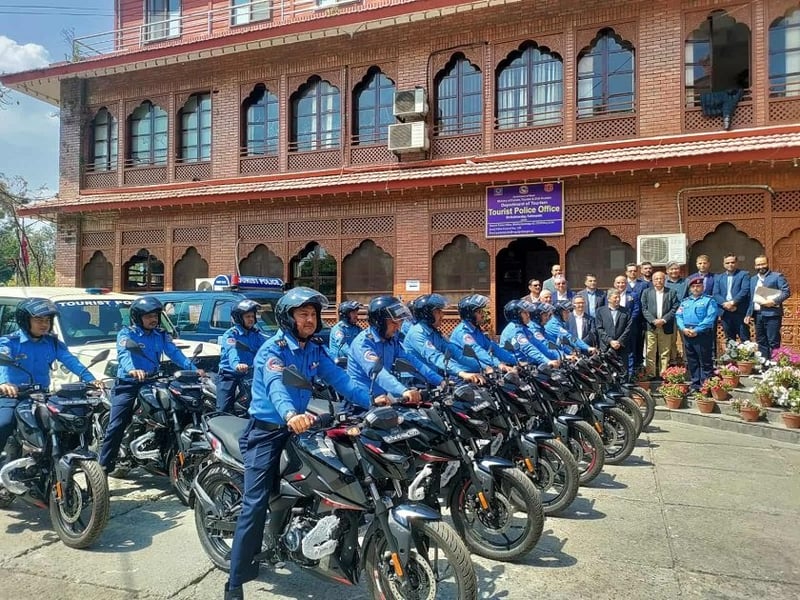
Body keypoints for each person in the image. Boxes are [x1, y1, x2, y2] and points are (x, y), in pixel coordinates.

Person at [225, 288, 376, 600]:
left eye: (313, 314)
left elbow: (342, 381)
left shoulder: (314, 349)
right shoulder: (273, 350)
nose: (310, 320)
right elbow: (276, 386)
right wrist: (290, 414)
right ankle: (235, 582)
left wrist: (375, 401)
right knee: (255, 503)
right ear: (287, 318)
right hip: (267, 432)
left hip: (300, 428)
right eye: (303, 314)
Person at [99, 296, 203, 474]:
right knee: (117, 424)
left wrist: (194, 370)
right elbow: (124, 354)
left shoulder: (160, 335)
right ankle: (104, 465)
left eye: (155, 315)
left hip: (153, 381)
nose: (153, 319)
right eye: (148, 316)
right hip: (129, 384)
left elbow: (175, 354)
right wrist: (132, 370)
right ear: (137, 318)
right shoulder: (127, 334)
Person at [0, 298, 100, 480]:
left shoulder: (52, 342)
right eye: (39, 320)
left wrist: (91, 379)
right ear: (25, 320)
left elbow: (71, 361)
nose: (44, 324)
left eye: (47, 320)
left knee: (67, 419)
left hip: (41, 396)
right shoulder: (9, 342)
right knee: (4, 423)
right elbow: (2, 363)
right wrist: (5, 383)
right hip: (14, 395)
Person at [346, 296, 439, 409]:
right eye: (394, 323)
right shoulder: (363, 343)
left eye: (399, 322)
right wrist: (403, 390)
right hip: (360, 405)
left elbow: (412, 361)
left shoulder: (391, 340)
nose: (398, 327)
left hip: (383, 401)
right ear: (379, 322)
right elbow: (378, 373)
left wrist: (440, 381)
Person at [404, 294, 484, 384]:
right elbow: (435, 356)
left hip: (431, 377)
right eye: (438, 312)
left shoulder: (434, 332)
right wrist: (462, 373)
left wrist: (483, 367)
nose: (442, 315)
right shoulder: (417, 333)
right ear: (427, 315)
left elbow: (455, 352)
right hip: (415, 381)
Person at [217, 299, 267, 413]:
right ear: (239, 318)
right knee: (224, 410)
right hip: (229, 375)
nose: (251, 319)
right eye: (247, 316)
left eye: (252, 316)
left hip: (249, 374)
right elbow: (232, 351)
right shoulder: (231, 335)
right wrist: (237, 365)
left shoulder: (256, 334)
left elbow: (267, 349)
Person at [450, 294, 516, 372]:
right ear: (469, 314)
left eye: (482, 311)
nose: (483, 314)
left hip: (477, 372)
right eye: (479, 312)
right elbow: (477, 351)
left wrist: (515, 361)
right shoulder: (463, 332)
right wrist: (498, 364)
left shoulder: (475, 331)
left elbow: (493, 347)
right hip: (463, 374)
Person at [744, 255, 792, 360]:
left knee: (773, 341)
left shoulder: (777, 276)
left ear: (767, 264)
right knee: (761, 340)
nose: (761, 266)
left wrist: (773, 301)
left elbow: (786, 292)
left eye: (763, 264)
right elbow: (751, 298)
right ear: (755, 266)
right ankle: (764, 364)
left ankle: (775, 364)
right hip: (758, 315)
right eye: (758, 264)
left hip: (772, 314)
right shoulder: (753, 279)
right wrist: (748, 314)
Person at [676, 277, 719, 391]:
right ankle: (695, 384)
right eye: (693, 286)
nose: (696, 288)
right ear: (690, 289)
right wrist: (683, 328)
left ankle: (706, 386)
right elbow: (678, 316)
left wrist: (697, 330)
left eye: (698, 286)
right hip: (687, 333)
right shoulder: (685, 302)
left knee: (705, 361)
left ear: (703, 287)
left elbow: (710, 317)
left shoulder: (709, 300)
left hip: (702, 334)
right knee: (692, 360)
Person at [640, 271, 679, 379]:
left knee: (665, 351)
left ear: (664, 280)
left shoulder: (671, 292)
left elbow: (675, 307)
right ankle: (651, 374)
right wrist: (653, 321)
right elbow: (644, 309)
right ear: (652, 281)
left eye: (661, 278)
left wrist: (664, 320)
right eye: (656, 279)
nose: (658, 281)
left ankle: (663, 374)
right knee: (650, 351)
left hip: (666, 326)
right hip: (651, 326)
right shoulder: (646, 292)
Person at [499, 300, 559, 368]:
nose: (528, 315)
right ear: (516, 315)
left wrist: (559, 356)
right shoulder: (514, 329)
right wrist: (547, 361)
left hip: (527, 364)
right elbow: (528, 348)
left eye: (528, 312)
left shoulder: (524, 328)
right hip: (514, 367)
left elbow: (539, 345)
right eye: (525, 313)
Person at [712, 253, 751, 343]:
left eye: (732, 262)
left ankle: (747, 353)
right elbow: (715, 294)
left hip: (739, 310)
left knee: (744, 338)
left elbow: (744, 290)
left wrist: (732, 303)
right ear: (723, 264)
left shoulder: (744, 275)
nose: (730, 264)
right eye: (727, 263)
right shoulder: (719, 277)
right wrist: (725, 304)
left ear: (736, 263)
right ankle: (731, 353)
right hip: (725, 312)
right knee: (729, 340)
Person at [595, 290, 633, 368]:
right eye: (615, 297)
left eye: (619, 297)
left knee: (622, 370)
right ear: (609, 299)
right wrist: (610, 341)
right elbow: (599, 328)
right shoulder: (600, 311)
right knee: (608, 371)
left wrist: (619, 342)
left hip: (621, 347)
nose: (618, 299)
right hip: (606, 347)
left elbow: (628, 328)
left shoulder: (626, 311)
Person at [613, 275, 639, 376]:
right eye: (618, 283)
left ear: (626, 284)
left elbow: (636, 310)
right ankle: (615, 374)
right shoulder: (610, 295)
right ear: (614, 284)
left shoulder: (633, 295)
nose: (621, 285)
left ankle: (629, 375)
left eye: (623, 282)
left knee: (630, 352)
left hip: (629, 328)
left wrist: (628, 322)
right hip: (614, 328)